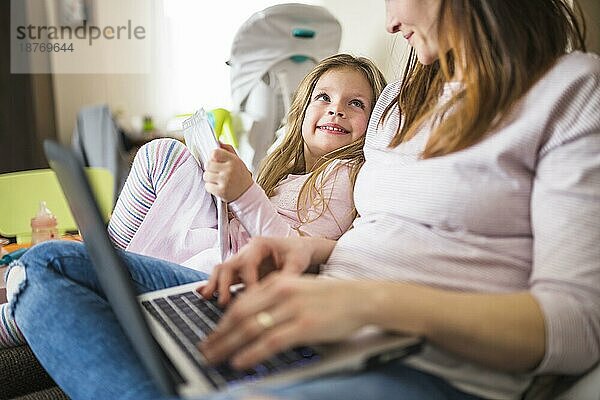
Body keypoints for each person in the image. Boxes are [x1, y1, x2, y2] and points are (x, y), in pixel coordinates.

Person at [7, 0, 600, 399]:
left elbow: (578, 326)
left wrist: (372, 305)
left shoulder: (572, 91)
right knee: (47, 266)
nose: (391, 20)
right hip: (320, 313)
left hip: (421, 362)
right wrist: (304, 253)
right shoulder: (403, 101)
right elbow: (380, 231)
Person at [107, 53, 387, 271]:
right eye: (324, 97)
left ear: (375, 121)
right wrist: (231, 192)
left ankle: (104, 258)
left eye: (356, 103)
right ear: (302, 111)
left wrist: (244, 193)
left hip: (228, 264)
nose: (336, 109)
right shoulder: (287, 174)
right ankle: (105, 256)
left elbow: (293, 252)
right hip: (221, 247)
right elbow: (256, 221)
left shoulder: (345, 174)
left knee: (164, 156)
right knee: (169, 158)